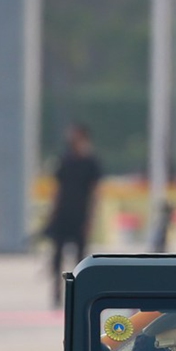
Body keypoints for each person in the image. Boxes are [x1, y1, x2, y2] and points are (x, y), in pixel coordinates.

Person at [43, 122, 102, 307]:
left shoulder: (91, 163)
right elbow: (58, 190)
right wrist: (52, 213)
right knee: (57, 256)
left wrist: (91, 218)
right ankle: (56, 294)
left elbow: (95, 192)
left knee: (80, 258)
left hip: (80, 215)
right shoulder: (65, 160)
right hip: (63, 214)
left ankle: (79, 293)